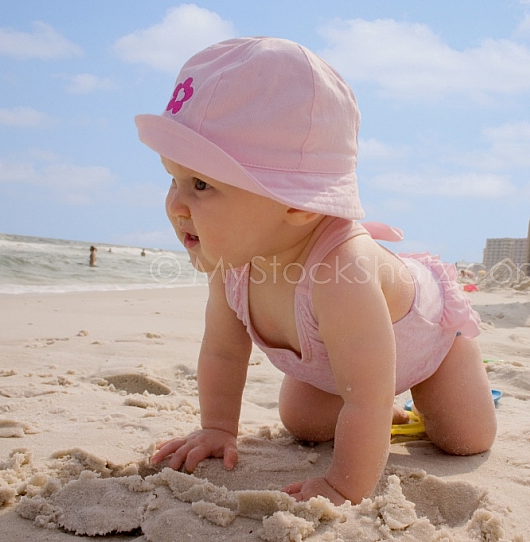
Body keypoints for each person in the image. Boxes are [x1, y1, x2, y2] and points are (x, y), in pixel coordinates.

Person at [135, 37, 496, 505]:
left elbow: (365, 399)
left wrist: (343, 485)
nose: (177, 205)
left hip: (430, 342)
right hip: (342, 363)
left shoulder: (341, 271)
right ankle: (372, 401)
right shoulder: (230, 267)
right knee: (303, 422)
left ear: (298, 206)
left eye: (201, 185)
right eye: (173, 179)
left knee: (464, 440)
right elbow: (223, 353)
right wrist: (217, 428)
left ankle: (450, 384)